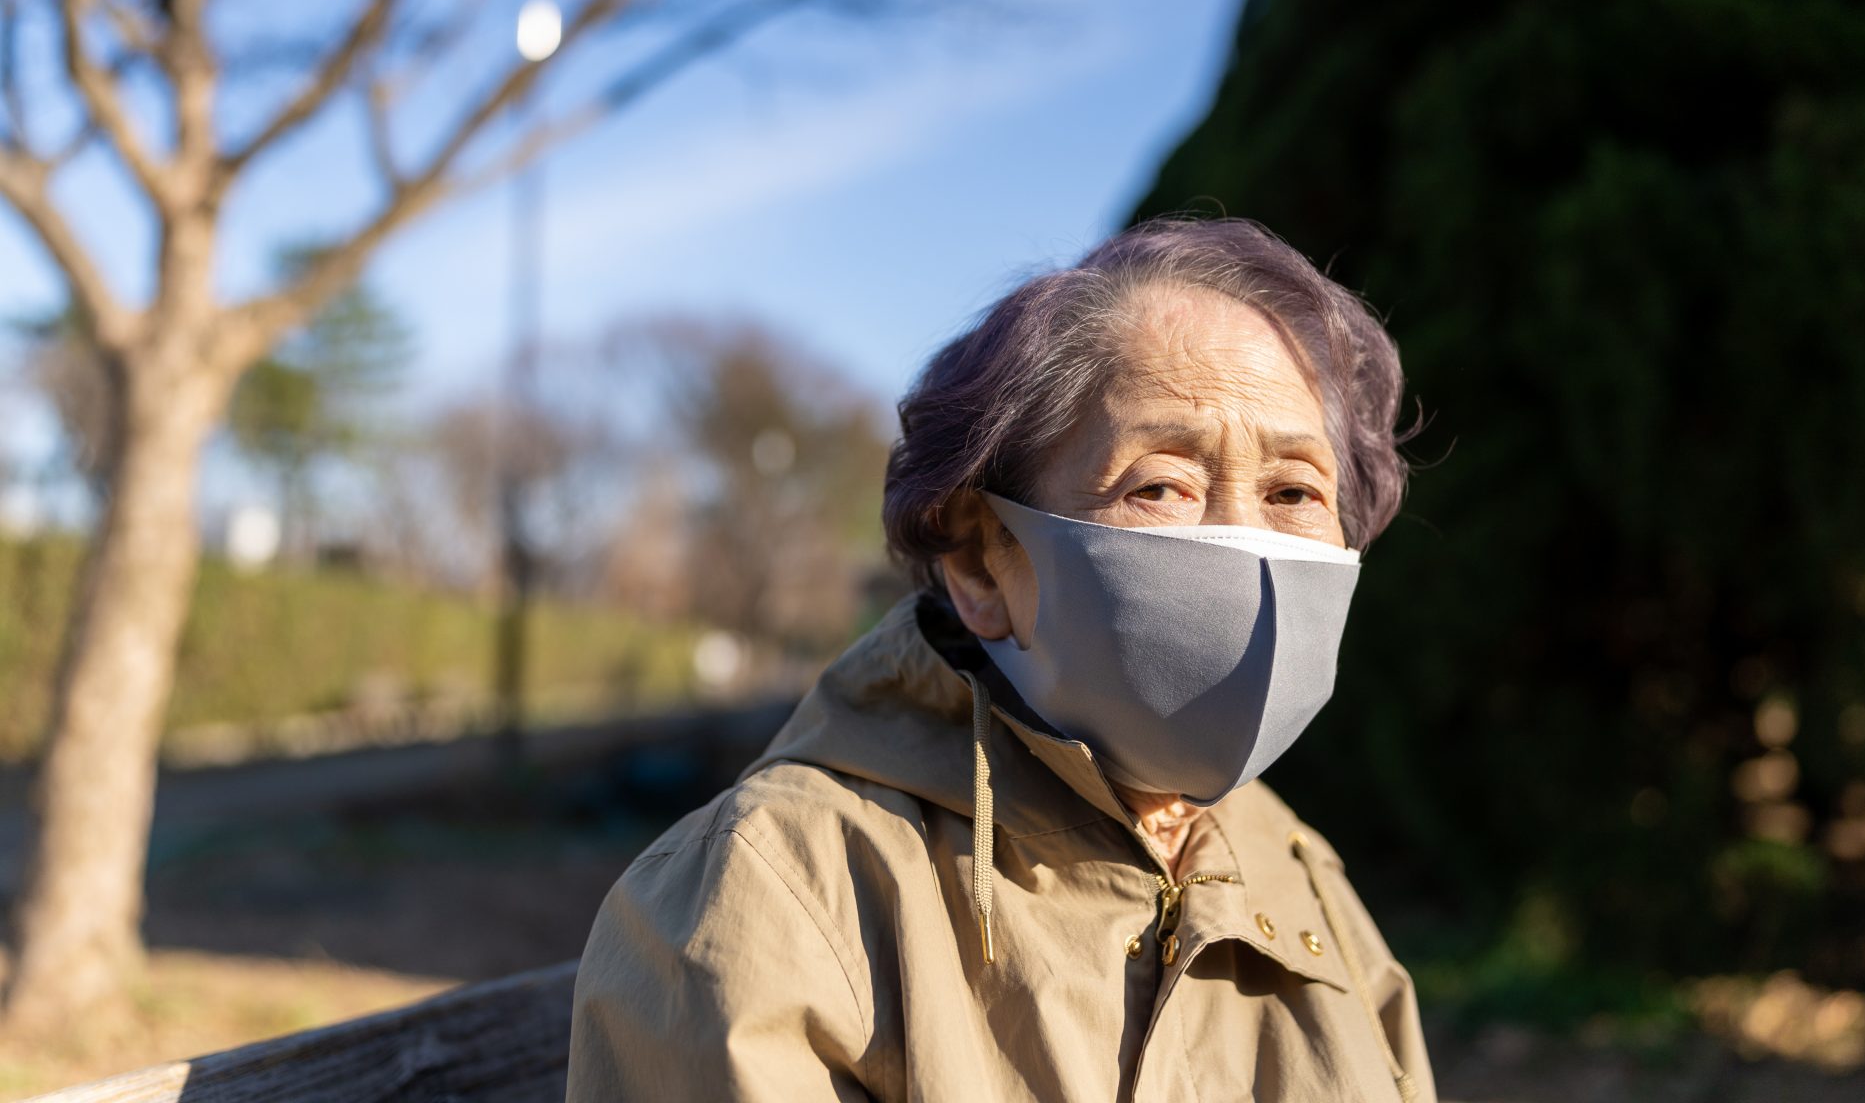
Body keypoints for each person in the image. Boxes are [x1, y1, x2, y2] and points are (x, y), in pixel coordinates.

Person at [565, 216, 1436, 1102]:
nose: (1250, 540)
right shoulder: (781, 884)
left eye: (1296, 492)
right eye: (1163, 484)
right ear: (983, 560)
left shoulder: (1295, 867)